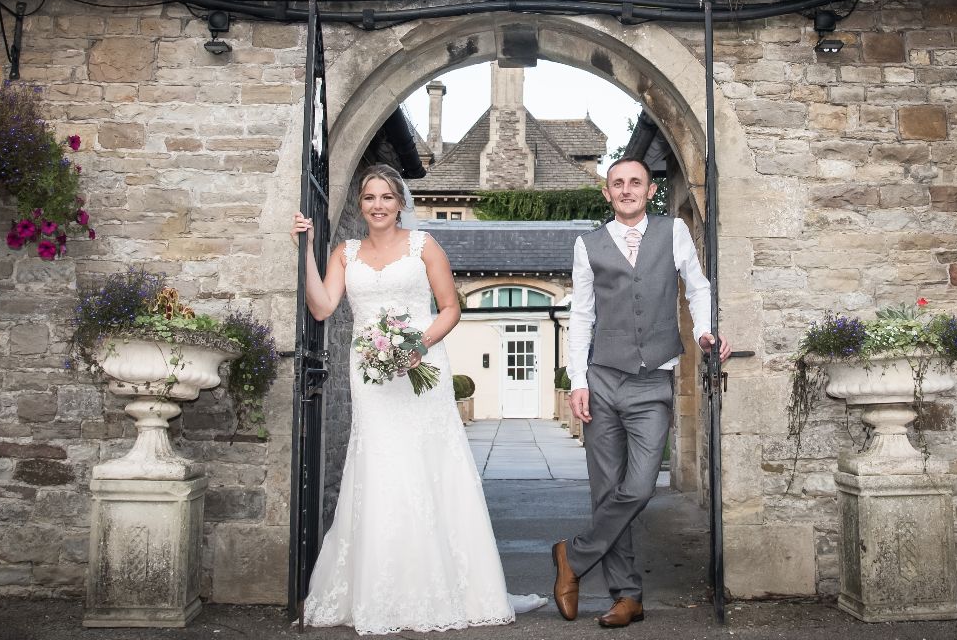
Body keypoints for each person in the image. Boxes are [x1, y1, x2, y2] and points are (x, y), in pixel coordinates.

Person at [291, 164, 543, 635]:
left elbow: (450, 308)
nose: (378, 205)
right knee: (380, 466)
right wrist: (306, 250)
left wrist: (418, 345)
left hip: (420, 370)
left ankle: (445, 586)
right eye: (370, 197)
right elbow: (322, 306)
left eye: (386, 197)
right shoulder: (345, 253)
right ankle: (381, 589)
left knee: (428, 465)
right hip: (371, 377)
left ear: (400, 203)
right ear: (361, 204)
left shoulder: (423, 245)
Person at [552, 157, 731, 628]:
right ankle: (627, 595)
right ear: (607, 193)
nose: (627, 189)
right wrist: (578, 381)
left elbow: (697, 287)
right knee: (607, 490)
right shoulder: (588, 244)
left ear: (650, 190)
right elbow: (582, 315)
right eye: (618, 184)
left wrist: (705, 332)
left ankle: (573, 556)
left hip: (652, 380)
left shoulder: (673, 232)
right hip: (602, 378)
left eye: (636, 182)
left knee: (639, 486)